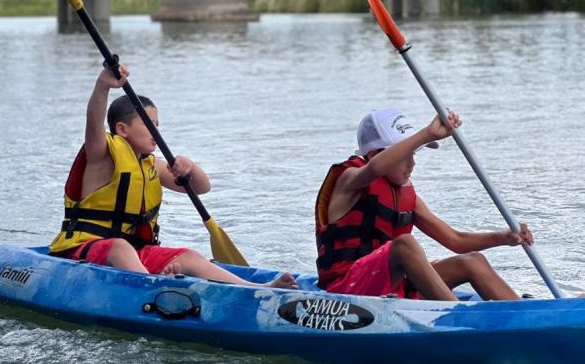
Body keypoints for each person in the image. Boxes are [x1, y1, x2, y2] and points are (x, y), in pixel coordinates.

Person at [49, 63, 296, 289]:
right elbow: (93, 123)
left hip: (136, 253)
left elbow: (202, 187)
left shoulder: (152, 166)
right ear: (122, 129)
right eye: (149, 125)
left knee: (188, 256)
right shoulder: (101, 155)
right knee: (120, 246)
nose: (156, 132)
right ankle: (154, 285)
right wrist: (102, 86)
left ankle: (257, 289)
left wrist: (190, 168)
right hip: (83, 248)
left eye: (158, 125)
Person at [314, 107, 533, 301]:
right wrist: (426, 134)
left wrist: (503, 237)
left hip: (393, 287)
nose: (412, 163)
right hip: (346, 291)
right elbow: (374, 169)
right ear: (373, 154)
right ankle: (457, 320)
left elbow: (455, 240)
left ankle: (522, 317)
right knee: (404, 244)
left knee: (472, 261)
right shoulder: (349, 180)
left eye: (414, 154)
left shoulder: (406, 197)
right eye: (405, 154)